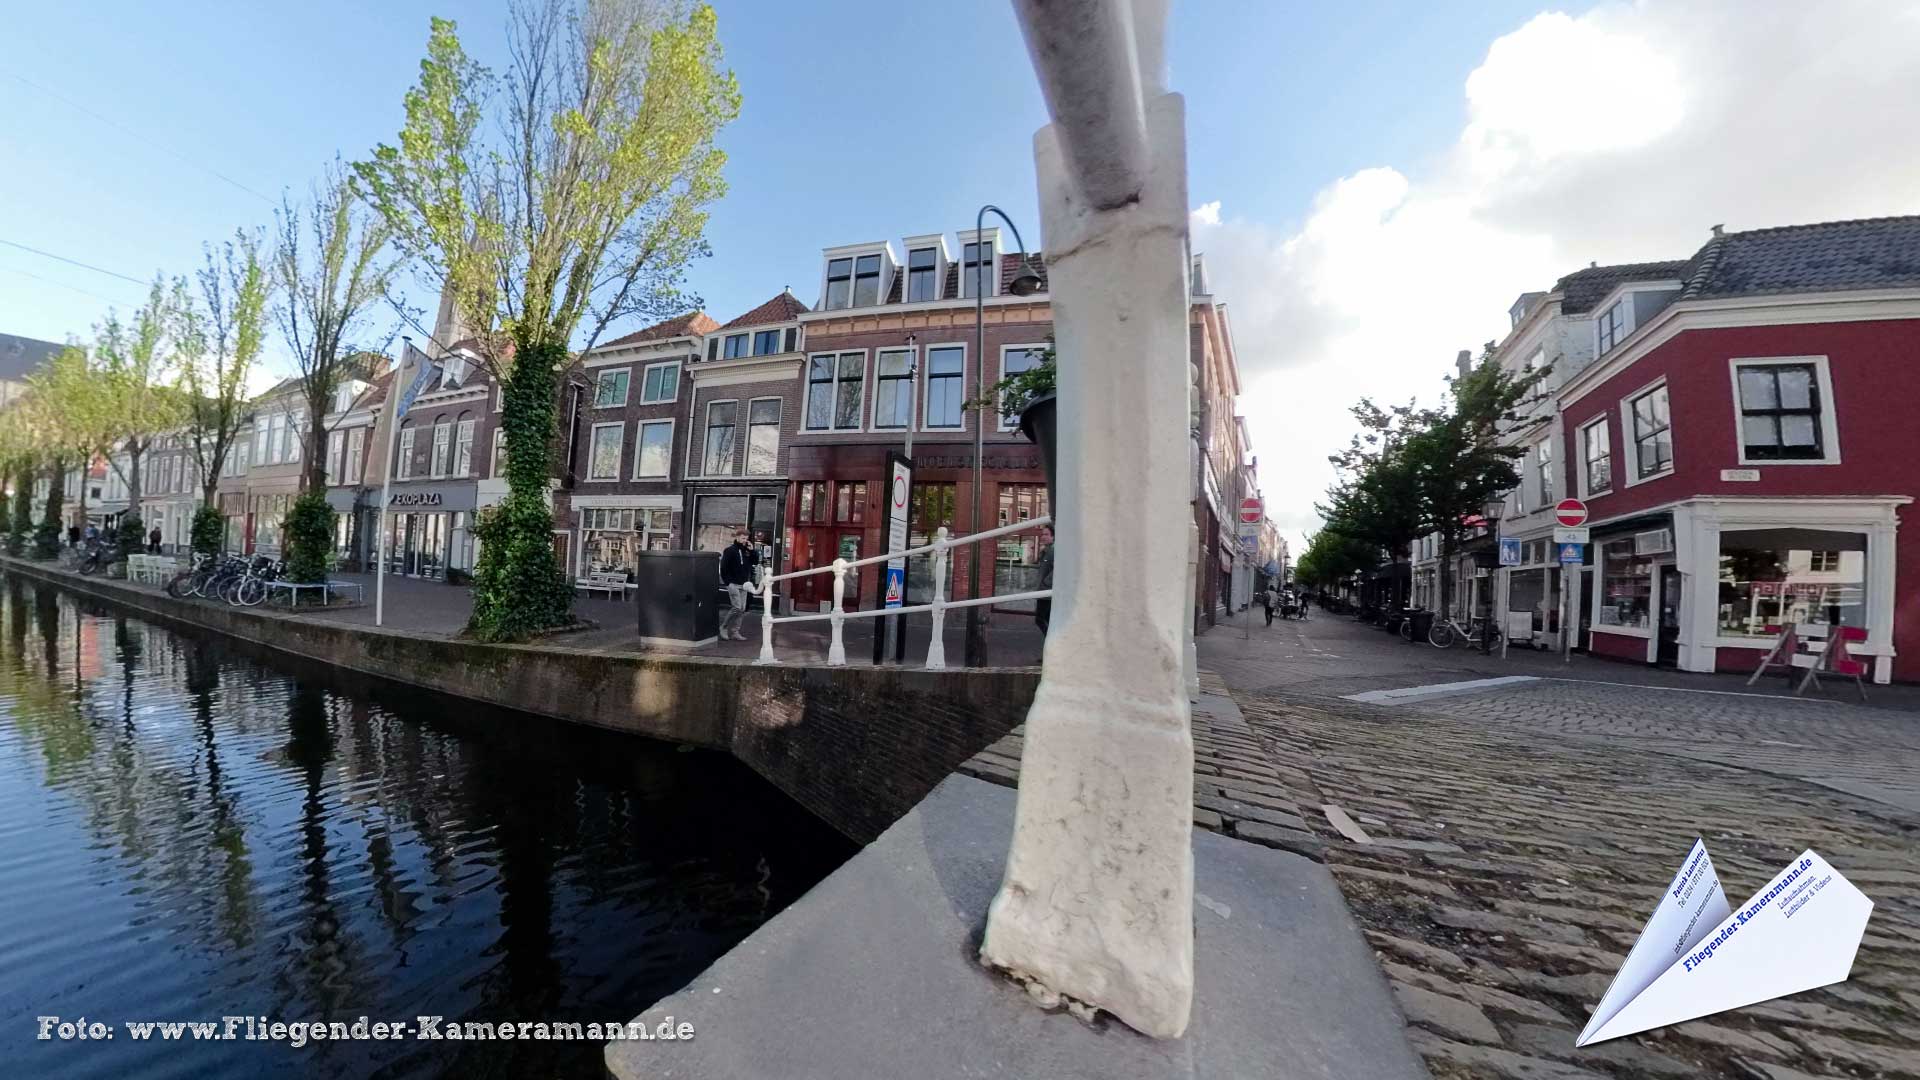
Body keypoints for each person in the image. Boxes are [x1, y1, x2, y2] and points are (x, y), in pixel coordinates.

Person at [717, 531, 759, 641]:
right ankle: (723, 627)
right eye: (743, 538)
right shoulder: (729, 550)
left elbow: (755, 562)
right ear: (737, 537)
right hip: (733, 584)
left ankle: (735, 631)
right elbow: (723, 568)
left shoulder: (747, 551)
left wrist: (752, 550)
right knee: (737, 607)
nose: (745, 540)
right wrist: (728, 583)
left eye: (746, 538)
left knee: (742, 609)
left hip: (744, 584)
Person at [1033, 527, 1054, 635]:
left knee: (1040, 619)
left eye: (1046, 534)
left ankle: (1052, 641)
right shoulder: (1046, 551)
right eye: (1042, 534)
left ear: (1053, 536)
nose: (1043, 537)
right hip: (1043, 591)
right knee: (1047, 619)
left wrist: (1046, 583)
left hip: (1046, 592)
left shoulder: (1054, 551)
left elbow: (1058, 570)